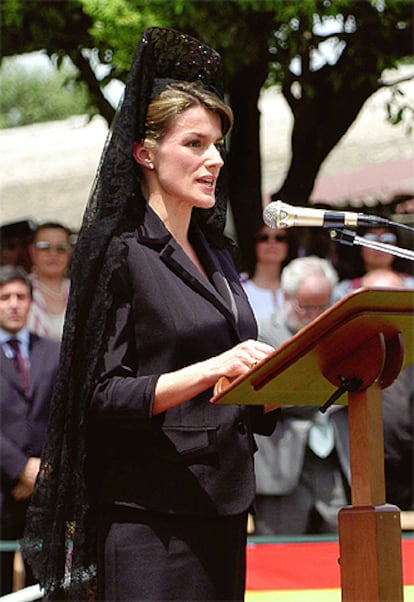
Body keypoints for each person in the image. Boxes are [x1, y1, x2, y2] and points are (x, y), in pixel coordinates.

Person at [22, 27, 279, 601]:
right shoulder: (119, 255)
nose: (213, 158)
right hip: (150, 520)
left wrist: (276, 384)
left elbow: (236, 379)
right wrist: (213, 368)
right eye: (194, 143)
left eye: (217, 144)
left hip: (224, 505)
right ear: (144, 152)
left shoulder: (219, 253)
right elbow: (97, 395)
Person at [254, 256, 352, 535]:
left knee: (339, 547)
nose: (315, 315)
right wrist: (326, 389)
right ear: (287, 296)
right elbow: (266, 393)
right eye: (306, 307)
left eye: (324, 306)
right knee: (280, 554)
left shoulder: (344, 331)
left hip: (334, 458)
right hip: (282, 460)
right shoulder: (263, 333)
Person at [0, 265, 60, 595]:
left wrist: (41, 471)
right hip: (2, 487)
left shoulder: (53, 352)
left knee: (43, 586)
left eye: (21, 297)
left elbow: (64, 417)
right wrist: (19, 469)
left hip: (44, 489)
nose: (13, 304)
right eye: (5, 297)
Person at [332, 224, 414, 302]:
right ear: (359, 247)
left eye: (387, 238)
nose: (380, 245)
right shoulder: (343, 291)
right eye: (370, 239)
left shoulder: (412, 285)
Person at [240, 223, 298, 322]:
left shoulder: (298, 287)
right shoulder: (238, 287)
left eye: (279, 238)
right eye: (264, 238)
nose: (272, 242)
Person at [27, 221, 72, 341]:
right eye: (44, 247)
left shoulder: (82, 292)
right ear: (32, 251)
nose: (53, 253)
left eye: (61, 248)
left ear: (70, 252)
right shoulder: (20, 292)